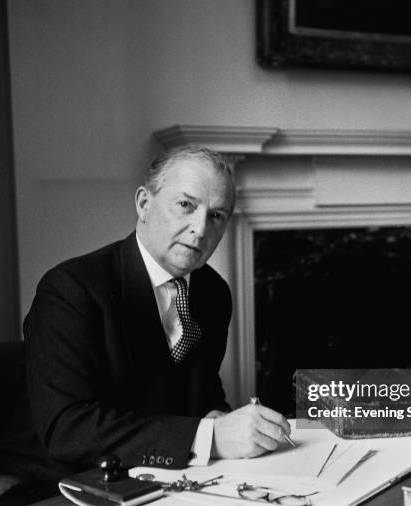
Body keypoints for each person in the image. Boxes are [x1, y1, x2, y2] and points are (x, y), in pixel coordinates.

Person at [23, 146, 291, 474]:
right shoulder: (70, 289)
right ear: (144, 204)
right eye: (186, 205)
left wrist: (221, 419)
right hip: (75, 485)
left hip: (173, 476)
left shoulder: (213, 292)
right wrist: (209, 437)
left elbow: (201, 393)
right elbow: (67, 429)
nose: (201, 229)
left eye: (217, 215)